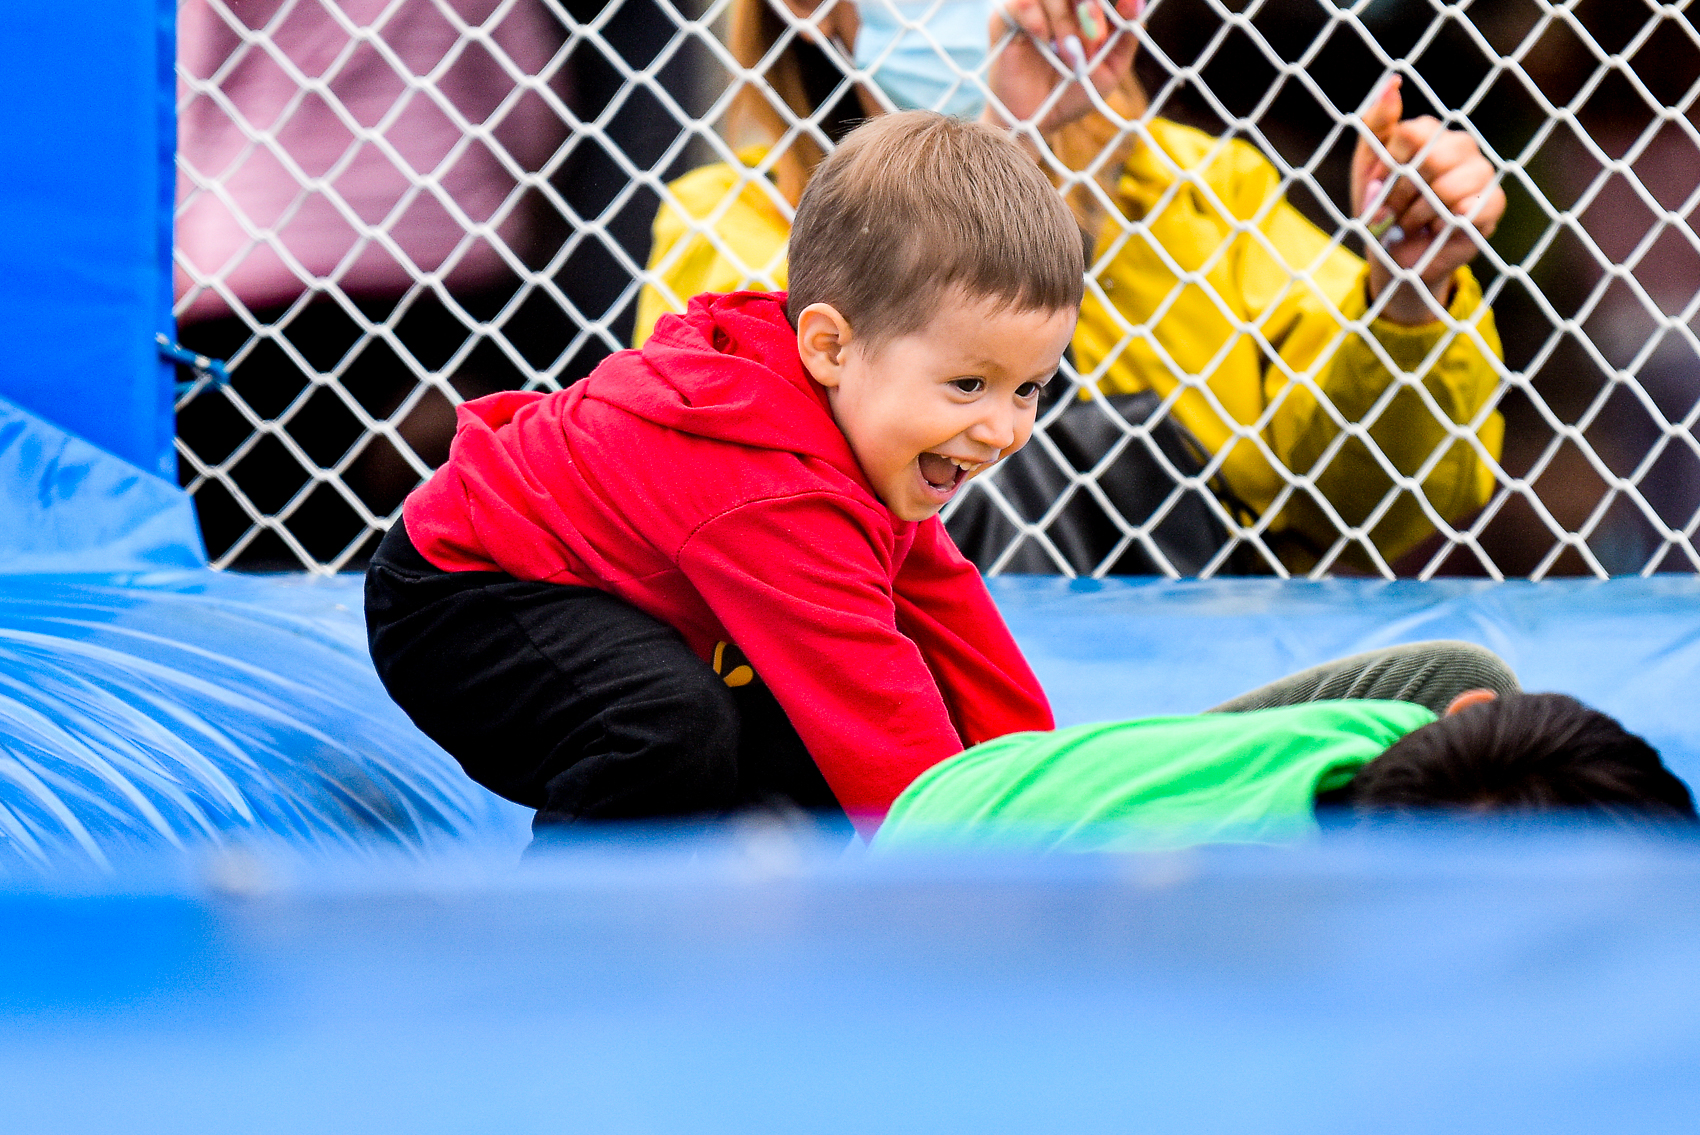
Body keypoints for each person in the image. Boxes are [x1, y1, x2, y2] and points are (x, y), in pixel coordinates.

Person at [365, 112, 1082, 839]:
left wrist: (1040, 793)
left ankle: (756, 914)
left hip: (593, 586)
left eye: (1028, 389)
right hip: (461, 597)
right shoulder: (771, 484)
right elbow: (882, 720)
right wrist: (984, 870)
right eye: (968, 384)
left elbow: (949, 616)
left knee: (781, 726)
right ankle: (569, 935)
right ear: (831, 345)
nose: (1003, 429)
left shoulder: (854, 421)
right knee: (663, 723)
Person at [633, 0, 1508, 574]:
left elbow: (1390, 497)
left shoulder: (1207, 189)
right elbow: (753, 492)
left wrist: (1406, 291)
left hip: (1201, 693)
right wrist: (1000, 152)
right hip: (908, 696)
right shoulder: (729, 220)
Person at [874, 641, 1698, 852]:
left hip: (986, 783)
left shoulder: (1380, 732)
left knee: (1463, 667)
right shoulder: (1242, 902)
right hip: (943, 879)